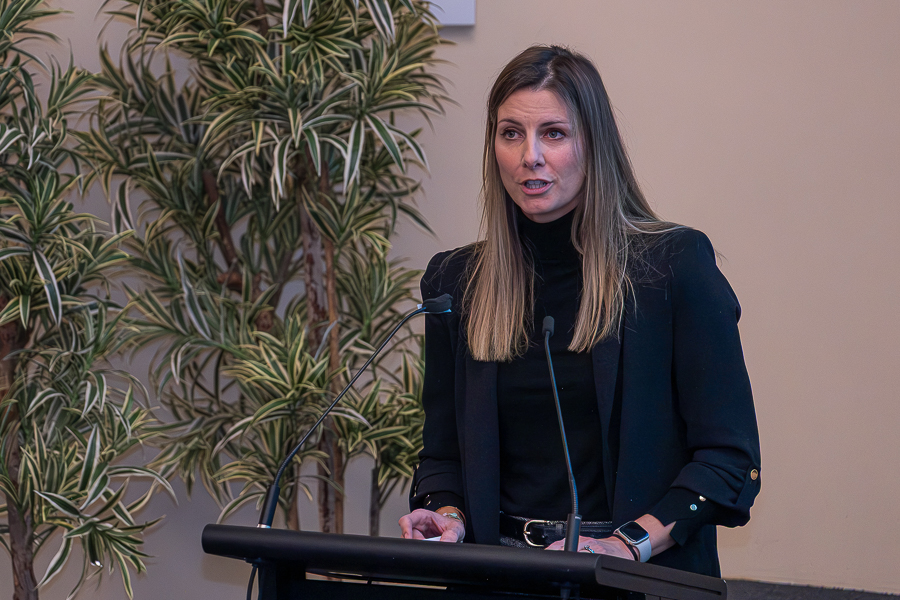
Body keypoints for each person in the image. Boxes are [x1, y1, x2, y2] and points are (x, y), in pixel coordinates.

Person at [398, 45, 760, 576]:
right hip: (497, 575)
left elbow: (728, 461)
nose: (530, 156)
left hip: (629, 573)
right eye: (511, 133)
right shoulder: (457, 282)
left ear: (594, 144)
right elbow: (443, 454)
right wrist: (446, 515)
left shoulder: (671, 267)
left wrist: (624, 546)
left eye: (554, 133)